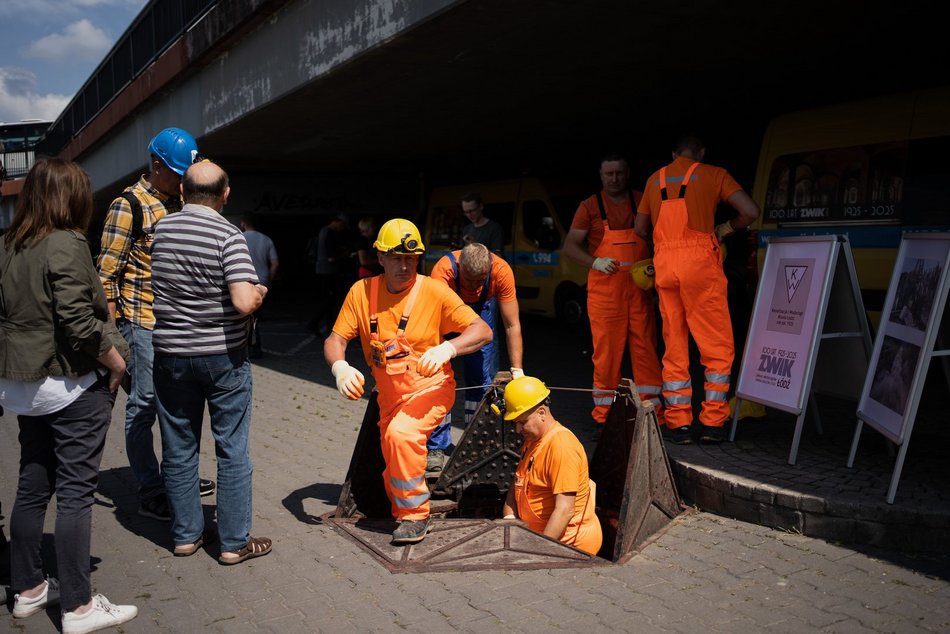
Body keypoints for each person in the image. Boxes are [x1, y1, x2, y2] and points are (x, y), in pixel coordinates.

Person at [0, 158, 138, 633]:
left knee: (33, 485)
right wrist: (117, 362)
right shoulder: (66, 242)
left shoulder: (8, 244)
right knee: (76, 492)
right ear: (70, 197)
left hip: (22, 386)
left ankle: (28, 589)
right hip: (68, 383)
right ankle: (78, 607)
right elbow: (79, 320)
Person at [324, 218, 492, 544]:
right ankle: (402, 508)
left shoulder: (434, 291)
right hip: (391, 397)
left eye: (411, 259)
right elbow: (335, 339)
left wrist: (448, 348)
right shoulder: (361, 292)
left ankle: (416, 516)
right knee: (394, 456)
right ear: (380, 257)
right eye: (397, 258)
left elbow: (482, 332)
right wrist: (340, 367)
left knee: (402, 438)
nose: (405, 266)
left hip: (431, 388)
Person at [151, 160, 273, 564]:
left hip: (170, 355)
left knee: (179, 445)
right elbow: (241, 301)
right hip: (222, 357)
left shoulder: (162, 229)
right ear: (226, 194)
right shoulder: (228, 234)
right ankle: (234, 543)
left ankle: (186, 535)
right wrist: (258, 292)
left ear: (183, 192)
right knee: (232, 448)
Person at [97, 127, 215, 522]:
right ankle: (150, 490)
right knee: (144, 405)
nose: (185, 182)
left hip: (178, 324)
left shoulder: (183, 203)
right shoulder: (127, 205)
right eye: (179, 174)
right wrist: (113, 336)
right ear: (158, 165)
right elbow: (106, 277)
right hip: (142, 323)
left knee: (178, 405)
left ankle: (177, 477)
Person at [635, 136, 760, 444]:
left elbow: (639, 229)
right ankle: (713, 422)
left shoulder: (654, 180)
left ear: (673, 153)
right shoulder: (714, 174)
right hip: (700, 265)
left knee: (674, 346)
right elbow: (750, 211)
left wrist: (664, 244)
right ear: (700, 153)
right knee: (715, 345)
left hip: (665, 266)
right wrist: (726, 229)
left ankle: (679, 424)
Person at [562, 152, 664, 426]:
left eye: (619, 173)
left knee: (646, 350)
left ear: (627, 173)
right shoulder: (590, 206)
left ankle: (652, 412)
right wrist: (594, 261)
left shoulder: (643, 199)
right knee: (607, 355)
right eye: (609, 174)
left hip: (639, 290)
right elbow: (570, 246)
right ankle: (604, 416)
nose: (615, 179)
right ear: (601, 175)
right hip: (605, 293)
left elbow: (662, 234)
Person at [427, 242, 524, 471]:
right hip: (445, 313)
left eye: (481, 281)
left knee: (481, 380)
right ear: (459, 268)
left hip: (482, 314)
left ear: (489, 269)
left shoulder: (501, 271)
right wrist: (442, 350)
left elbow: (512, 325)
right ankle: (436, 447)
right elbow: (430, 322)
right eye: (470, 280)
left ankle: (474, 443)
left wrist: (517, 370)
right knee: (438, 380)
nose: (475, 288)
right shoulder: (443, 271)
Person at [500, 376, 602, 556]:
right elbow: (517, 485)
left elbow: (565, 510)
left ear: (541, 413)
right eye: (515, 423)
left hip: (569, 546)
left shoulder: (561, 447)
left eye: (522, 422)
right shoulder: (533, 440)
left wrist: (540, 552)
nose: (517, 429)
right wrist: (509, 518)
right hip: (539, 538)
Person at [240, 212, 279, 358]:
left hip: (242, 283)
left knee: (244, 318)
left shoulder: (238, 238)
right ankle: (256, 349)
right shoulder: (266, 240)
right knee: (255, 318)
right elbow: (275, 263)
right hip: (262, 283)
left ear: (244, 223)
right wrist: (269, 279)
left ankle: (248, 349)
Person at [310, 213, 350, 335]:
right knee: (330, 300)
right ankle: (316, 323)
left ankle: (326, 326)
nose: (342, 229)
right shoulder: (329, 234)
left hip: (323, 270)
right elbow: (331, 257)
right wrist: (345, 255)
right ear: (338, 222)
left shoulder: (323, 231)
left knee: (329, 300)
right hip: (328, 271)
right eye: (342, 225)